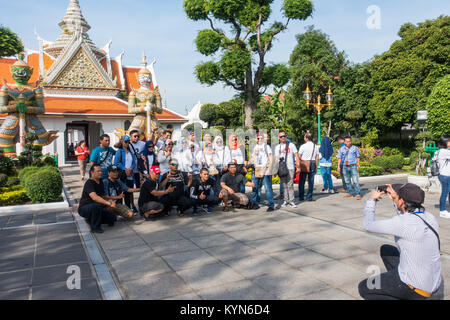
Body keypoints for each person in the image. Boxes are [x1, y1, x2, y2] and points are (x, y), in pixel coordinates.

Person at [358, 183, 444, 300]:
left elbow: (368, 225)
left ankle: (405, 293)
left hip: (417, 288)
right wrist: (395, 199)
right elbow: (405, 213)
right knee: (387, 250)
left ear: (402, 201)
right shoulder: (429, 217)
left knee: (364, 287)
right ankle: (400, 290)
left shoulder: (402, 223)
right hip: (433, 283)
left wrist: (371, 200)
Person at [78, 165, 117, 233]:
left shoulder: (100, 181)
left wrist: (110, 200)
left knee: (112, 218)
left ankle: (91, 219)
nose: (100, 173)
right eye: (98, 171)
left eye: (101, 171)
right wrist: (108, 203)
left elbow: (102, 196)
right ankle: (95, 227)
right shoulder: (89, 183)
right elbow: (95, 197)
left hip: (97, 207)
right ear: (92, 172)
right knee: (96, 205)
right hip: (85, 208)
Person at [113, 135, 138, 212]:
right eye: (125, 142)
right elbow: (116, 162)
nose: (127, 143)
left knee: (129, 193)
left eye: (128, 142)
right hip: (122, 175)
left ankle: (128, 209)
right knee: (121, 193)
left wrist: (130, 168)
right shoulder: (119, 151)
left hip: (130, 175)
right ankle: (119, 210)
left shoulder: (130, 152)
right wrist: (125, 169)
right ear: (122, 141)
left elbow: (134, 163)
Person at [251, 133, 274, 212]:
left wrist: (269, 169)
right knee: (255, 187)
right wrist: (253, 164)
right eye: (258, 138)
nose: (259, 140)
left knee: (268, 188)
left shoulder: (267, 147)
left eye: (261, 138)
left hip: (265, 169)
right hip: (257, 169)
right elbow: (253, 157)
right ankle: (255, 203)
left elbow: (271, 158)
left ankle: (271, 205)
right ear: (256, 139)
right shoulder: (255, 147)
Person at [274, 131, 298, 208]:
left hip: (290, 167)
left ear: (286, 136)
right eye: (281, 136)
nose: (283, 138)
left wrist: (298, 165)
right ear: (279, 138)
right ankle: (285, 200)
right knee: (284, 185)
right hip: (281, 168)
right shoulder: (277, 147)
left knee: (290, 184)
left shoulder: (291, 145)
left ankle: (291, 201)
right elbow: (276, 158)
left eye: (284, 136)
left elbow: (296, 155)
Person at [297, 133, 319, 202]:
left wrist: (298, 165)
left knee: (302, 181)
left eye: (304, 137)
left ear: (306, 138)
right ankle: (309, 197)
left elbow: (299, 156)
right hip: (312, 163)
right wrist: (316, 166)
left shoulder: (303, 146)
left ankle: (301, 197)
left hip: (304, 163)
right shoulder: (315, 146)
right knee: (311, 181)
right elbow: (317, 157)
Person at [437, 135, 450, 218]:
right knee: (445, 193)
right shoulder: (444, 151)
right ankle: (442, 211)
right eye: (449, 141)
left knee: (448, 193)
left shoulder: (444, 151)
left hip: (446, 175)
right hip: (445, 176)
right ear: (445, 142)